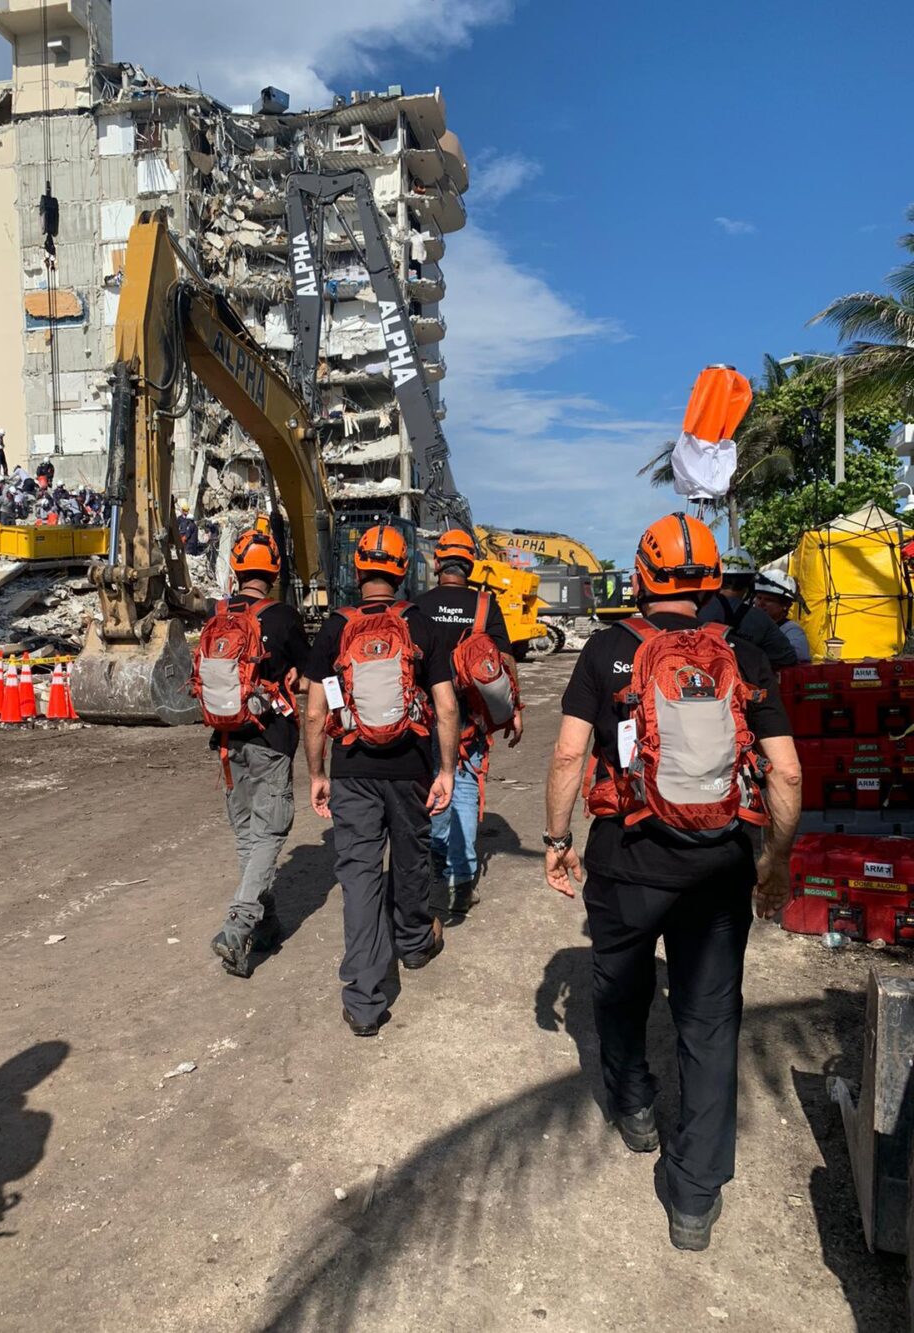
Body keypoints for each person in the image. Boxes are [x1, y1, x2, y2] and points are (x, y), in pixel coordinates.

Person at [544, 513, 801, 1252]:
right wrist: (773, 861)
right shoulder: (748, 655)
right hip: (720, 866)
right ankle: (694, 1196)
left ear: (641, 576)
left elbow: (568, 757)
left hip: (627, 864)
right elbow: (784, 770)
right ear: (714, 582)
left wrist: (559, 841)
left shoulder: (605, 652)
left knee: (619, 988)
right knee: (710, 1023)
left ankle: (634, 1105)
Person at [304, 524, 459, 1037]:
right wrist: (446, 769)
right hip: (410, 766)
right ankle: (414, 944)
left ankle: (365, 1000)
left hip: (352, 768)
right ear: (400, 569)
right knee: (412, 857)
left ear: (357, 570)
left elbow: (314, 711)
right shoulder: (422, 625)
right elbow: (446, 705)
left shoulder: (334, 627)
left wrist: (317, 772)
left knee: (360, 877)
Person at [205, 530, 312, 977]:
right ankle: (239, 923)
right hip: (270, 740)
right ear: (273, 572)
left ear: (236, 567)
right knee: (270, 834)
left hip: (228, 743)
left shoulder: (218, 616)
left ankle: (264, 926)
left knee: (249, 836)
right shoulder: (285, 617)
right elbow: (308, 680)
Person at [415, 528, 522, 914]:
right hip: (470, 718)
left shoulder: (420, 605)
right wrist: (515, 709)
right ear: (471, 564)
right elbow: (505, 659)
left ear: (439, 562)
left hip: (428, 715)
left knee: (435, 786)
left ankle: (438, 864)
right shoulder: (484, 605)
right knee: (463, 790)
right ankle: (463, 880)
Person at [698, 546, 797, 668]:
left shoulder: (698, 610)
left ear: (718, 577)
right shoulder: (761, 620)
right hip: (745, 685)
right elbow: (787, 659)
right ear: (751, 582)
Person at [753, 570, 811, 664]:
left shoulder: (791, 630)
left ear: (786, 605)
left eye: (769, 600)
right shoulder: (750, 625)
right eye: (759, 598)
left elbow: (798, 657)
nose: (761, 603)